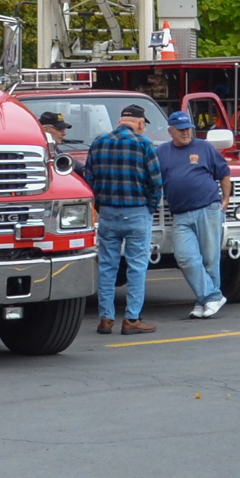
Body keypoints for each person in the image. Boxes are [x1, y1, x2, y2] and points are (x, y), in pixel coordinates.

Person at [77, 104, 163, 335]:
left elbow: (89, 178)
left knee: (107, 267)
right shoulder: (144, 145)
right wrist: (149, 208)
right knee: (136, 267)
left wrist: (100, 205)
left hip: (108, 214)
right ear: (140, 122)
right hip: (136, 212)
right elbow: (155, 182)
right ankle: (132, 319)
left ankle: (106, 319)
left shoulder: (99, 142)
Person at [155, 109, 232, 318]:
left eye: (188, 128)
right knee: (186, 258)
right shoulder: (161, 152)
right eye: (181, 130)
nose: (186, 132)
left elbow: (224, 173)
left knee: (210, 259)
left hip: (208, 208)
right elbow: (153, 177)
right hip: (180, 214)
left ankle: (203, 301)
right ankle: (212, 297)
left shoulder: (205, 147)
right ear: (170, 131)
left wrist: (225, 199)